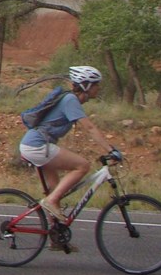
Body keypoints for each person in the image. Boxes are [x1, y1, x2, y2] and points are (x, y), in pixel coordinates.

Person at [19, 65, 122, 248]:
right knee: (82, 166)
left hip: (35, 145)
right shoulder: (70, 100)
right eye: (96, 85)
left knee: (54, 191)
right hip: (37, 146)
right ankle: (51, 201)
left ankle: (56, 240)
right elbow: (89, 128)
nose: (98, 88)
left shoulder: (70, 100)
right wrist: (110, 149)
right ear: (86, 85)